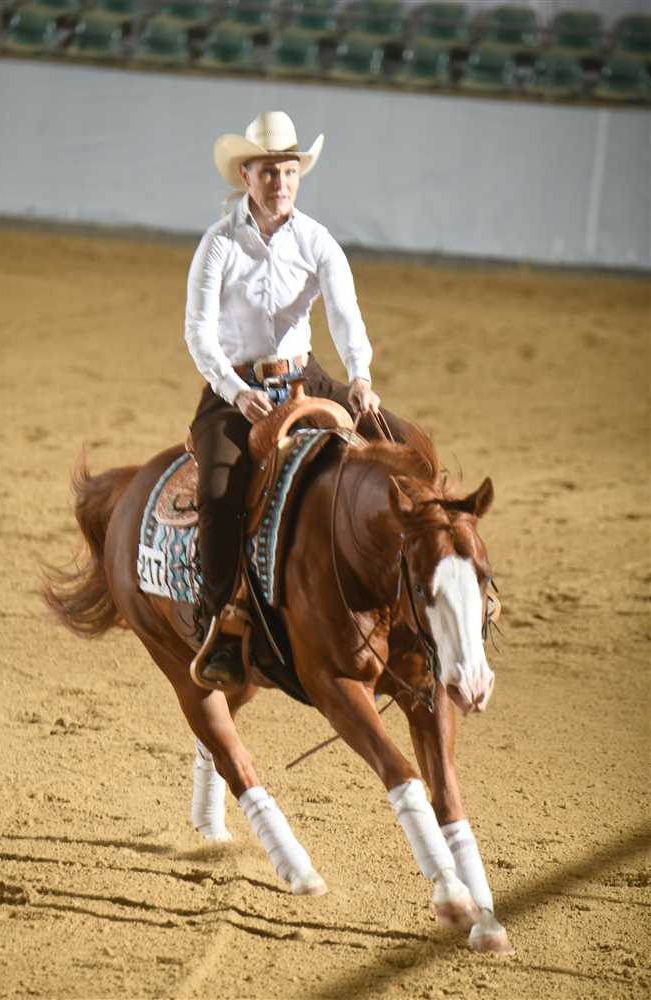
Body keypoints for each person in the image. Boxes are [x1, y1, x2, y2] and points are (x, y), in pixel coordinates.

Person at [185, 110, 404, 689]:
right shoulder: (218, 244)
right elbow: (199, 334)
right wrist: (236, 392)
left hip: (306, 375)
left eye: (288, 171)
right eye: (267, 172)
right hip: (235, 387)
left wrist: (359, 376)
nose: (279, 183)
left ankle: (430, 580)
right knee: (219, 489)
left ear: (298, 175)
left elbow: (345, 315)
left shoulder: (316, 240)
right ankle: (220, 622)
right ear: (246, 176)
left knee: (401, 443)